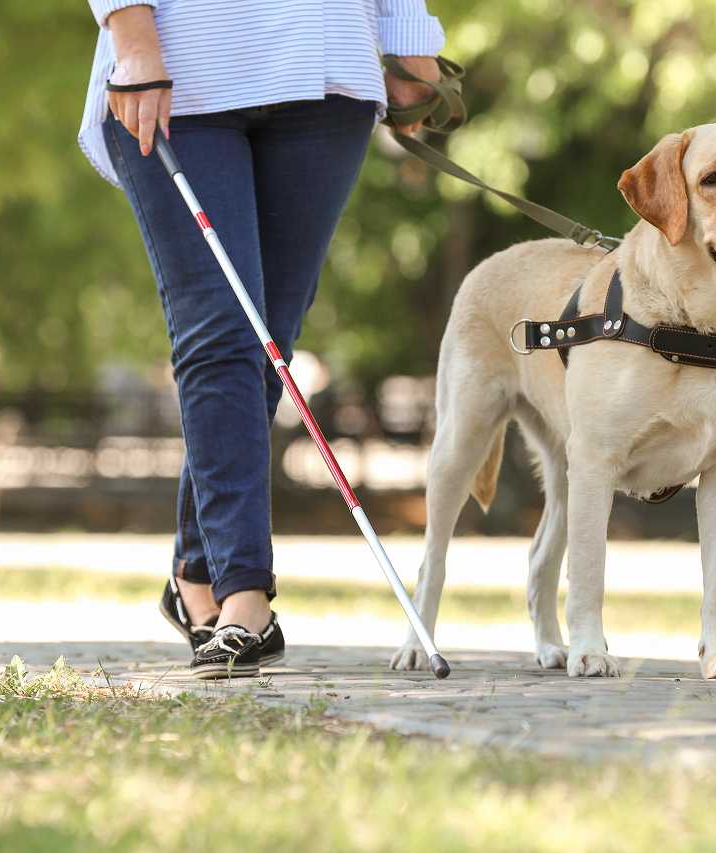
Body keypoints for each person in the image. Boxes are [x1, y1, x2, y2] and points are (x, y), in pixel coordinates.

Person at [79, 1, 446, 678]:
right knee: (222, 333)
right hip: (182, 64)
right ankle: (244, 599)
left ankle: (197, 569)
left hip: (326, 67)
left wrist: (413, 46)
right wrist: (131, 39)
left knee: (265, 345)